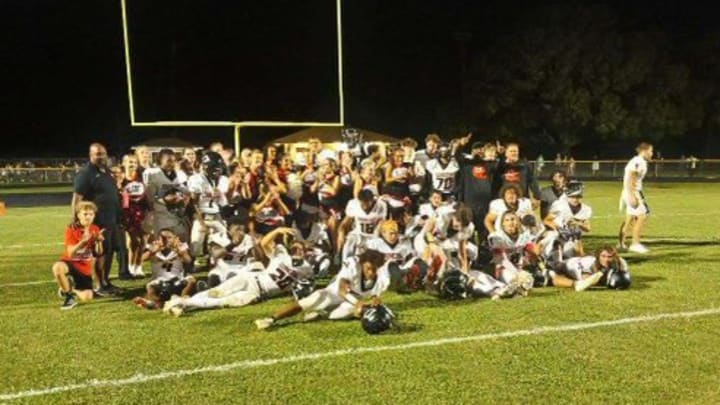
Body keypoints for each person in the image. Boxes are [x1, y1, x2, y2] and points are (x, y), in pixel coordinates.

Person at [254, 249, 388, 329]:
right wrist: (358, 303)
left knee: (349, 311)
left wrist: (374, 302)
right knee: (313, 300)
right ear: (361, 264)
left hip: (353, 300)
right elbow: (342, 289)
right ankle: (272, 319)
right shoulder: (353, 264)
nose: (371, 272)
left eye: (374, 269)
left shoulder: (382, 274)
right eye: (368, 268)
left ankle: (322, 314)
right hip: (334, 293)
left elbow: (375, 294)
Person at [72, 143, 126, 295]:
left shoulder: (106, 171)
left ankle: (106, 282)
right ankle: (98, 285)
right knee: (98, 253)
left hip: (111, 220)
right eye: (98, 154)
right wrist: (77, 219)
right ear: (91, 155)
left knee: (108, 252)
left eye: (103, 153)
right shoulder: (86, 173)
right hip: (97, 221)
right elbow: (77, 198)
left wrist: (119, 216)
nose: (102, 156)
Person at [52, 201, 104, 309]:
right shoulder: (71, 229)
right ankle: (69, 297)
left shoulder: (95, 228)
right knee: (57, 268)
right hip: (70, 262)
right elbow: (71, 253)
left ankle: (69, 290)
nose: (88, 217)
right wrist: (82, 243)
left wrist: (99, 241)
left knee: (87, 296)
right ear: (78, 215)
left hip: (84, 268)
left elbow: (98, 253)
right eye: (85, 214)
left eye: (91, 214)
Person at [132, 228, 196, 309]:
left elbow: (188, 260)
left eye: (169, 238)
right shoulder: (153, 247)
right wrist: (153, 251)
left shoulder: (181, 246)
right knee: (150, 287)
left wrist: (179, 251)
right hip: (159, 280)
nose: (166, 240)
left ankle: (181, 301)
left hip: (177, 278)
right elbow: (141, 259)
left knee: (191, 281)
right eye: (163, 238)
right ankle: (154, 303)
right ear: (158, 239)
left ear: (175, 238)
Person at [145, 149, 190, 242]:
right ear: (159, 161)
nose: (171, 163)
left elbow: (187, 193)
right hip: (161, 217)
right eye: (168, 160)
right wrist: (165, 199)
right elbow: (150, 197)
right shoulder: (153, 174)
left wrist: (183, 201)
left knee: (181, 245)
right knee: (163, 248)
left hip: (177, 216)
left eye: (174, 161)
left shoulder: (180, 175)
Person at [618, 142, 653, 253]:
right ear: (645, 151)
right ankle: (635, 244)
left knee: (630, 218)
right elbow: (632, 176)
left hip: (628, 191)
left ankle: (621, 243)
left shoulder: (636, 160)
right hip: (632, 191)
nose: (652, 153)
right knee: (642, 216)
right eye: (651, 151)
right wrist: (632, 194)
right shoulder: (639, 161)